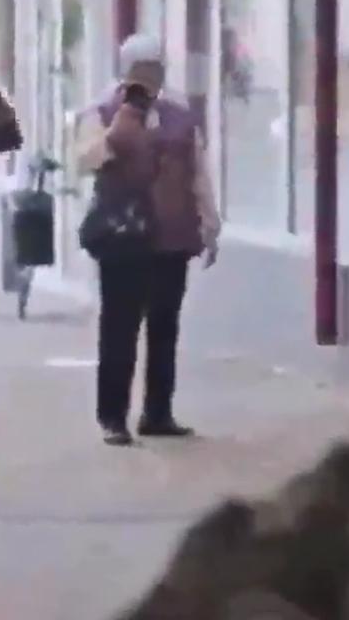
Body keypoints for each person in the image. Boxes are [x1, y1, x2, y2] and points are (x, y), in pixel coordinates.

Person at [74, 34, 221, 447]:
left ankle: (158, 412)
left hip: (172, 237)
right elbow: (85, 161)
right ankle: (112, 417)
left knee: (164, 327)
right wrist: (121, 125)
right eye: (142, 70)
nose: (150, 78)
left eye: (156, 69)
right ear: (126, 70)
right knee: (119, 328)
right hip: (124, 237)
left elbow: (199, 173)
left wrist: (209, 224)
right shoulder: (102, 111)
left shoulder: (179, 116)